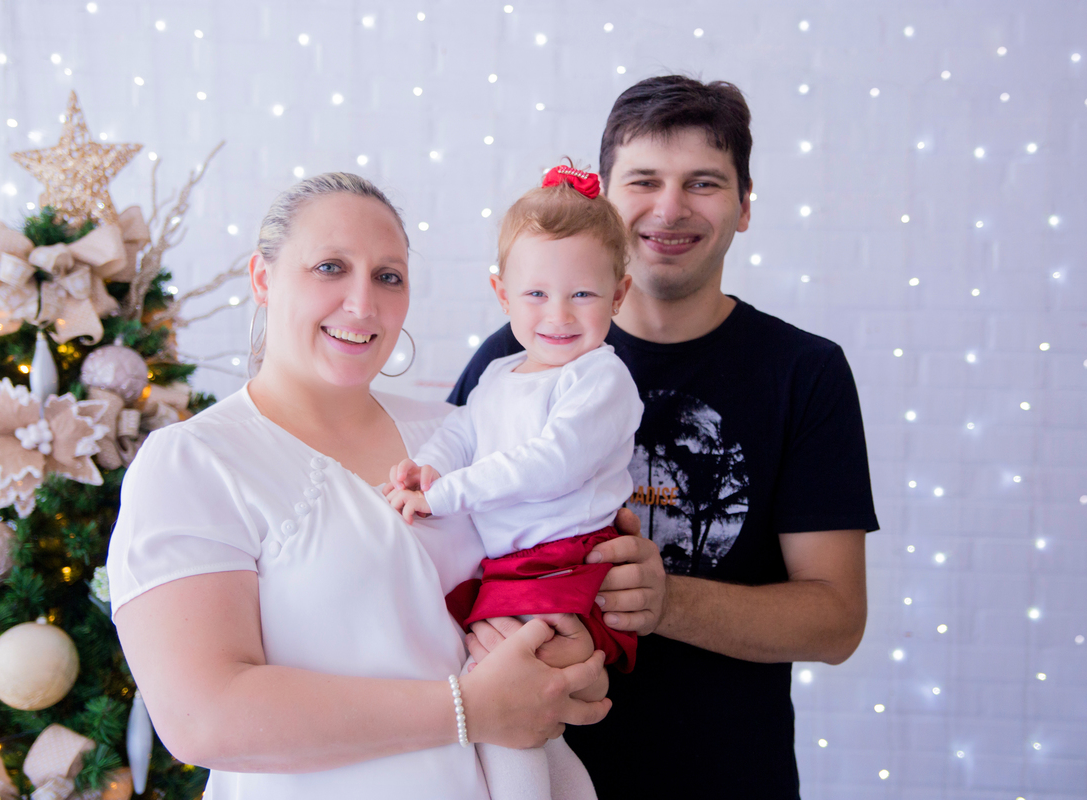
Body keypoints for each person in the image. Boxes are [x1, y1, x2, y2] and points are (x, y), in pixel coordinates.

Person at [106, 172, 618, 800]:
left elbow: (570, 573)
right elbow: (202, 717)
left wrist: (579, 647)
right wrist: (469, 709)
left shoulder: (461, 432)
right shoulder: (194, 463)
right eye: (329, 267)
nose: (362, 303)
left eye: (388, 276)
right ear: (263, 279)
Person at [451, 76, 880, 798]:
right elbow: (447, 534)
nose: (670, 208)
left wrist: (666, 601)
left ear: (744, 206)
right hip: (532, 771)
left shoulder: (804, 373)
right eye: (644, 180)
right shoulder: (515, 357)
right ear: (604, 205)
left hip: (728, 777)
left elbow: (836, 619)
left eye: (704, 183)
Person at [385, 165, 644, 800]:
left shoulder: (600, 379)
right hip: (511, 565)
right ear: (502, 294)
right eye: (536, 295)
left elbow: (548, 463)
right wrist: (431, 467)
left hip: (566, 560)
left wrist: (447, 495)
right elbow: (462, 431)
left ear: (620, 293)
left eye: (582, 295)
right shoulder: (500, 373)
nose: (558, 314)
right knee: (482, 681)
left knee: (511, 689)